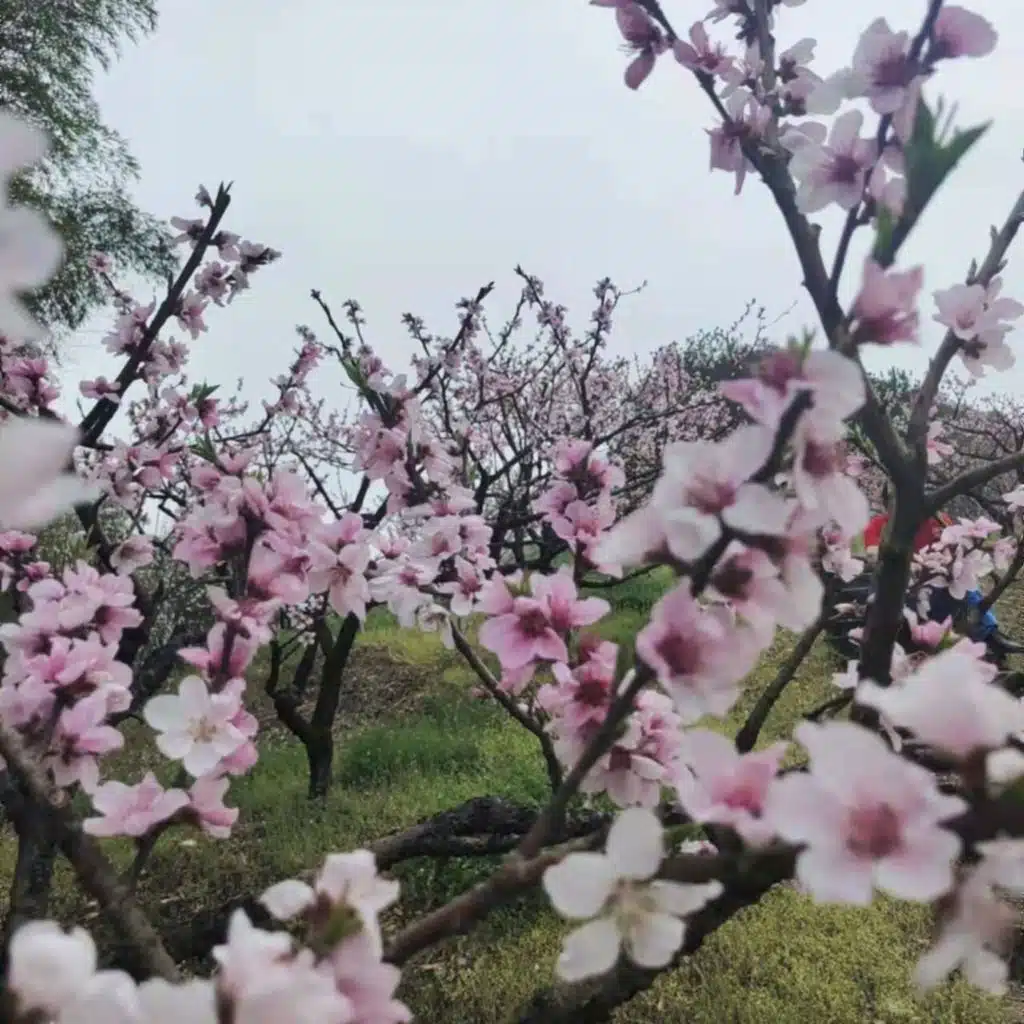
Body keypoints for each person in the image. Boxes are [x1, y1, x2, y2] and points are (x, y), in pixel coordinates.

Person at [862, 489, 1001, 642]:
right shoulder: (878, 524)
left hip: (937, 576)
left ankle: (989, 634)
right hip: (902, 580)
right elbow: (872, 554)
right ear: (886, 504)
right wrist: (901, 562)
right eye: (894, 501)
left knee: (968, 586)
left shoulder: (936, 521)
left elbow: (954, 547)